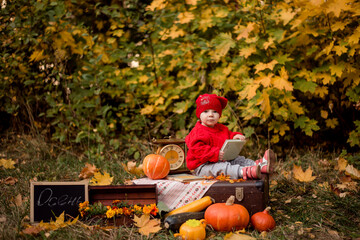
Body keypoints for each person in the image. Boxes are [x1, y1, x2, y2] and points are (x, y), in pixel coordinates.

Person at [185, 94, 276, 179]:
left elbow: (229, 134)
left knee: (238, 159)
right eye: (206, 111)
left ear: (219, 115)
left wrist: (235, 136)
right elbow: (197, 149)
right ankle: (243, 172)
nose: (210, 115)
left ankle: (260, 165)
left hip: (222, 159)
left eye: (215, 112)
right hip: (202, 166)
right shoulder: (197, 132)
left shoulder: (221, 128)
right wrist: (214, 153)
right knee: (221, 168)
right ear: (199, 114)